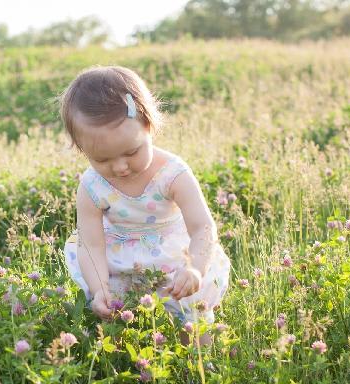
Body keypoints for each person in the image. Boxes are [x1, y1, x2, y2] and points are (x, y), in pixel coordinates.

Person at [59, 65, 230, 340]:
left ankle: (201, 363)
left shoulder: (173, 174)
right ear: (81, 149)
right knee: (114, 310)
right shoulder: (91, 186)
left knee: (191, 306)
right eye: (102, 159)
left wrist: (195, 268)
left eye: (131, 151)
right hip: (121, 258)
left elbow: (203, 228)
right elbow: (90, 243)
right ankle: (128, 356)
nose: (120, 167)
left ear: (150, 126)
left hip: (174, 255)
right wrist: (100, 287)